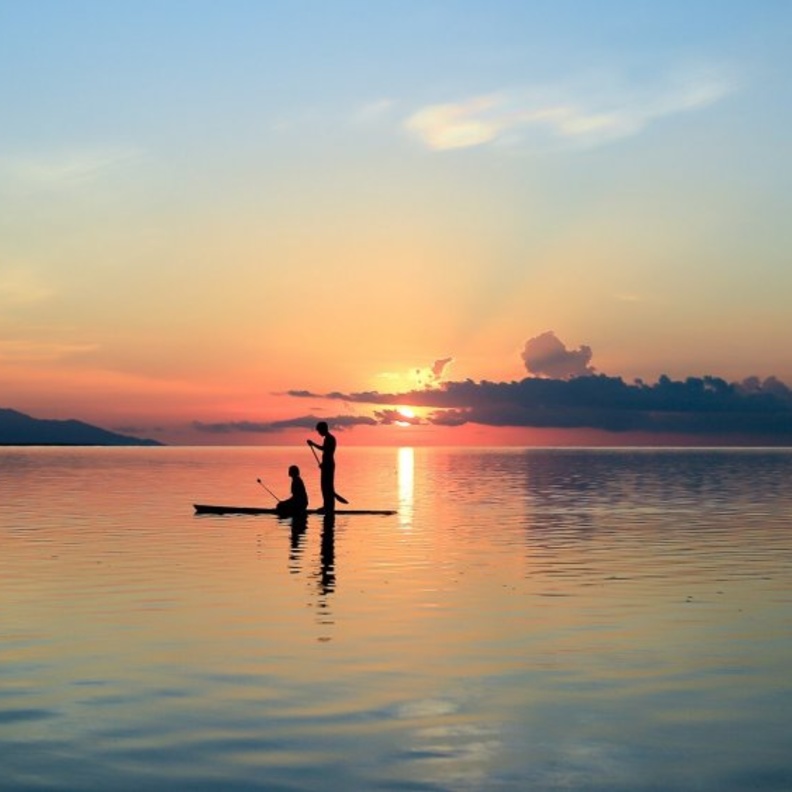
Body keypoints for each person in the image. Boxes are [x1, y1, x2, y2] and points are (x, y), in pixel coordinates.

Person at [307, 421, 337, 513]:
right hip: (327, 464)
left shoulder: (330, 438)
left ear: (323, 429)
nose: (319, 433)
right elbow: (325, 452)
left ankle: (329, 507)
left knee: (327, 487)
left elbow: (326, 450)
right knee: (325, 486)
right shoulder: (327, 438)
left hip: (328, 465)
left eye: (319, 431)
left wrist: (313, 444)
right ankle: (327, 506)